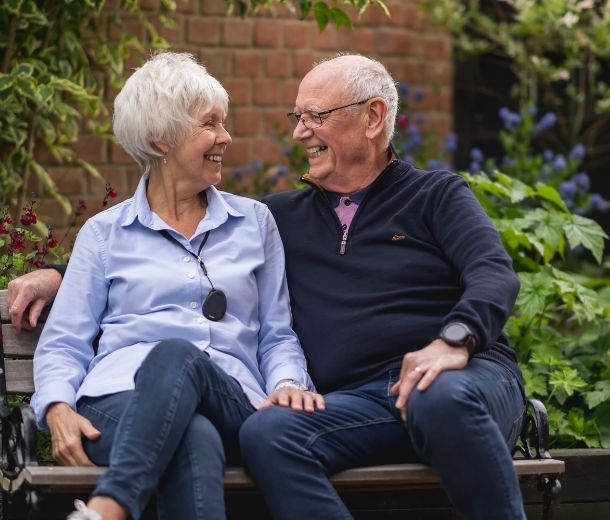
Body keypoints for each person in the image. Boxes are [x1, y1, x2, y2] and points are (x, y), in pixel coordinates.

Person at [9, 54, 525, 519]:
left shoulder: (434, 196)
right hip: (361, 403)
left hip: (458, 378)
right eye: (297, 118)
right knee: (269, 433)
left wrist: (453, 341)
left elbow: (492, 273)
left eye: (315, 117)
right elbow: (142, 242)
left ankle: (108, 508)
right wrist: (60, 273)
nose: (300, 133)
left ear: (372, 118)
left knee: (439, 396)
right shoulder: (280, 217)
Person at [25, 51, 323, 520]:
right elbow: (64, 342)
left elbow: (277, 333)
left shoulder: (254, 223)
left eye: (223, 123)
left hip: (234, 399)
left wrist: (287, 382)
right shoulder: (105, 234)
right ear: (160, 139)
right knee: (192, 436)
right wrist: (57, 407)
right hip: (118, 403)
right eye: (210, 124)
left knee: (175, 353)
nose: (225, 137)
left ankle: (107, 507)